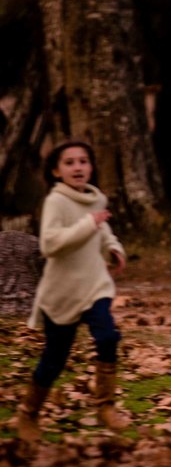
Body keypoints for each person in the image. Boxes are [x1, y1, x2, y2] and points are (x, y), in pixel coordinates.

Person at [16, 140, 130, 442]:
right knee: (54, 359)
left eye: (83, 161)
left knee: (107, 336)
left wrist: (114, 249)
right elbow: (49, 244)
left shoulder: (96, 199)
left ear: (91, 167)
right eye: (69, 162)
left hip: (95, 285)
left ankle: (105, 405)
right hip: (63, 293)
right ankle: (29, 413)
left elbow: (103, 231)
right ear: (56, 171)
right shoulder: (56, 202)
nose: (77, 167)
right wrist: (87, 224)